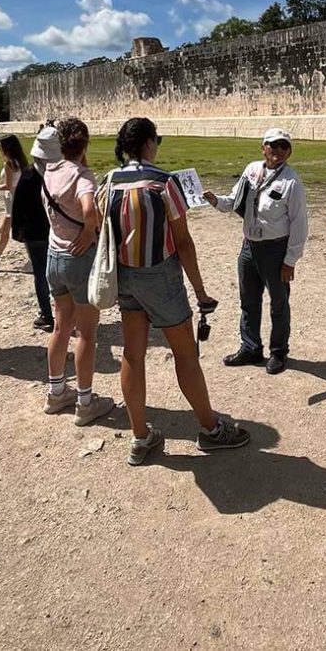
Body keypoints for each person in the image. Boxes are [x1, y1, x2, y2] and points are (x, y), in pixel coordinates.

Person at [105, 117, 250, 465]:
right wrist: (200, 292)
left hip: (126, 276)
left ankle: (140, 436)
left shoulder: (109, 182)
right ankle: (211, 429)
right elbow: (183, 243)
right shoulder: (163, 183)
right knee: (186, 354)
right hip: (160, 277)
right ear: (150, 143)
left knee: (133, 355)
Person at [203, 128, 309, 374]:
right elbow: (234, 200)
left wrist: (290, 260)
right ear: (264, 148)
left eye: (284, 146)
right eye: (273, 145)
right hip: (249, 246)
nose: (278, 151)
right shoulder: (252, 170)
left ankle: (279, 352)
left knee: (279, 302)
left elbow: (299, 224)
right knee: (248, 300)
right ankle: (250, 347)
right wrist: (215, 200)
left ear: (289, 152)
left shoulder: (291, 182)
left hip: (275, 249)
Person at [35, 118, 116, 425]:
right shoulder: (82, 176)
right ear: (85, 144)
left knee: (60, 327)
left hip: (53, 257)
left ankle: (57, 393)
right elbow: (88, 210)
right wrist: (88, 233)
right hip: (77, 259)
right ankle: (85, 401)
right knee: (86, 333)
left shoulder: (49, 171)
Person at [0, 134, 54, 332]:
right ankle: (69, 314)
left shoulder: (29, 175)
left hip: (35, 231)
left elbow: (18, 207)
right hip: (58, 230)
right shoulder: (63, 174)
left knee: (40, 272)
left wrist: (18, 233)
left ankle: (46, 314)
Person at [0, 135, 30, 272]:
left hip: (12, 201)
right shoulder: (20, 161)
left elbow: (8, 185)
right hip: (17, 199)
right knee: (6, 230)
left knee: (9, 231)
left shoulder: (9, 163)